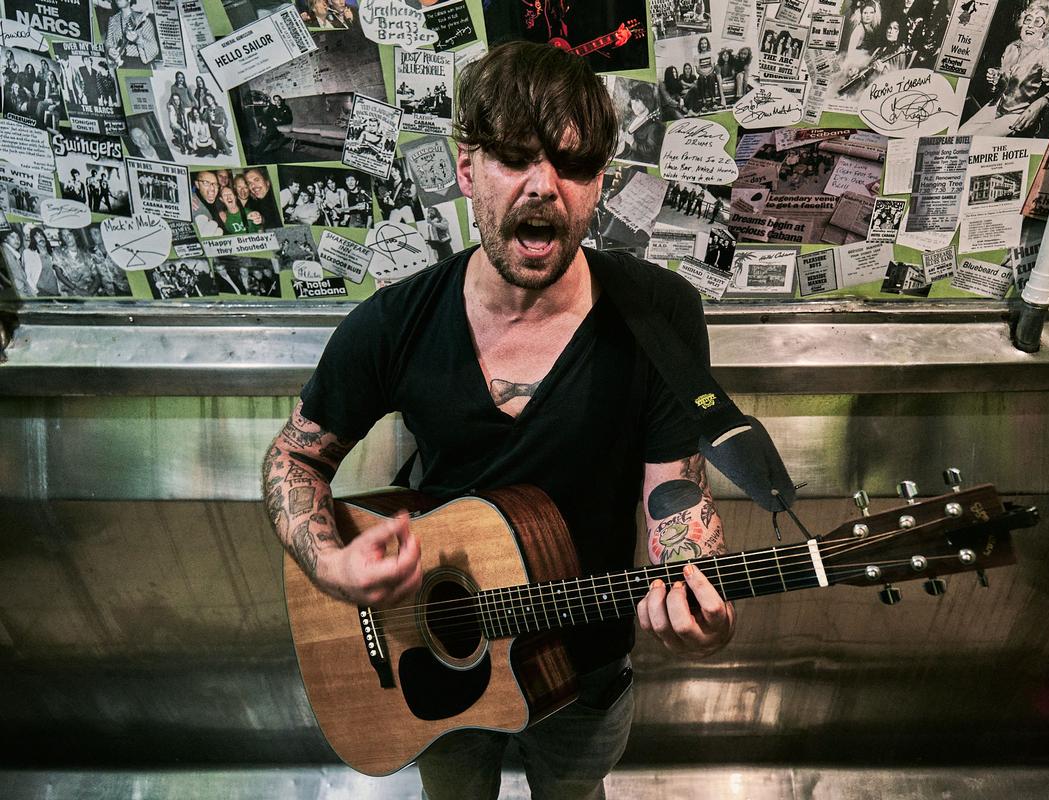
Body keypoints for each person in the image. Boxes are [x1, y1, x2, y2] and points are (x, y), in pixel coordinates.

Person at [260, 41, 732, 800]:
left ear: (599, 183)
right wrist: (332, 565)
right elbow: (295, 461)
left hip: (589, 666)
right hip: (431, 651)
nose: (544, 186)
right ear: (467, 167)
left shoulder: (658, 314)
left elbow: (675, 490)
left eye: (573, 166)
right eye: (514, 157)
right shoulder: (395, 322)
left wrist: (695, 586)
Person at [959, 0, 1049, 136]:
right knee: (960, 134)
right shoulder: (1011, 47)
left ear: (1045, 29)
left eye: (1038, 22)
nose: (1031, 26)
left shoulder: (1046, 53)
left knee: (977, 141)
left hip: (1019, 113)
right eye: (1028, 20)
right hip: (997, 105)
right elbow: (1006, 78)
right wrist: (997, 75)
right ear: (1022, 23)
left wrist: (1040, 104)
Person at [616, 82, 664, 164]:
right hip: (623, 156)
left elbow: (652, 153)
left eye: (637, 101)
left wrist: (632, 142)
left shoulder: (654, 126)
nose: (634, 106)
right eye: (632, 102)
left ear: (646, 100)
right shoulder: (633, 118)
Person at [104, 0, 160, 69]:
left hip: (138, 65)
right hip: (118, 64)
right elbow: (108, 42)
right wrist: (109, 49)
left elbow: (154, 49)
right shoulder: (112, 20)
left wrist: (138, 40)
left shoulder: (144, 21)